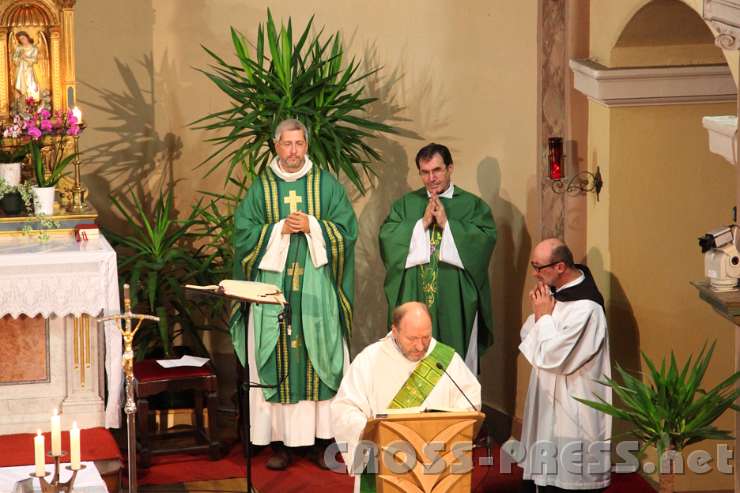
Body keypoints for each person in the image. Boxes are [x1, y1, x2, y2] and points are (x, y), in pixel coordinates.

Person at [231, 118, 357, 470]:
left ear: (307, 144)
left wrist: (314, 226)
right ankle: (282, 443)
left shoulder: (326, 185)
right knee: (277, 354)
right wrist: (279, 230)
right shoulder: (262, 188)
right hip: (275, 290)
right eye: (287, 144)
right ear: (275, 146)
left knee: (320, 354)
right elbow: (243, 234)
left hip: (316, 292)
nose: (293, 151)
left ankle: (321, 440)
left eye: (299, 144)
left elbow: (347, 230)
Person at [331, 301, 481, 493]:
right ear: (395, 331)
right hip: (385, 463)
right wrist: (370, 431)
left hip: (437, 463)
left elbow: (470, 401)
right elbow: (345, 408)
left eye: (426, 337)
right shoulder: (370, 360)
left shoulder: (445, 360)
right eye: (412, 338)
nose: (420, 346)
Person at [379, 143, 496, 373]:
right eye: (425, 172)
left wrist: (447, 225)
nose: (431, 178)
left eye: (437, 170)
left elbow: (484, 242)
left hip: (456, 302)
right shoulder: (405, 205)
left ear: (450, 168)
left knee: (454, 364)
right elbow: (387, 239)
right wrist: (421, 225)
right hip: (415, 297)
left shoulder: (472, 206)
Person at [519, 239, 611, 492]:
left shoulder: (587, 308)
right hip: (546, 396)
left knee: (567, 471)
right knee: (543, 468)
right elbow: (527, 336)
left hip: (573, 403)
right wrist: (540, 315)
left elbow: (555, 358)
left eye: (539, 267)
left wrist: (543, 316)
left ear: (560, 266)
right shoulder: (554, 295)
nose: (534, 274)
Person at [12, 31, 40, 101]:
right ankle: (22, 102)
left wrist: (25, 58)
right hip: (21, 70)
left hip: (30, 70)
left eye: (23, 38)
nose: (22, 40)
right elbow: (14, 59)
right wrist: (19, 58)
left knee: (31, 84)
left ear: (27, 37)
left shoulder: (34, 48)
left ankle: (31, 101)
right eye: (20, 39)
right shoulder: (19, 48)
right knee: (21, 85)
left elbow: (35, 60)